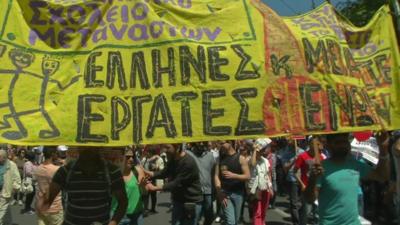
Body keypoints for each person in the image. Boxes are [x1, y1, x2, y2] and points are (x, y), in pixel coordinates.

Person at [305, 132, 390, 225]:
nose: (342, 145)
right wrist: (312, 178)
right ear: (328, 145)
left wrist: (383, 149)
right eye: (338, 142)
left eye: (345, 141)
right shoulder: (320, 168)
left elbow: (382, 176)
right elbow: (309, 199)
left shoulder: (355, 164)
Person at [39, 147, 128, 225]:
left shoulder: (112, 171)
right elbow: (45, 203)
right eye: (84, 144)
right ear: (78, 146)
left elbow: (123, 202)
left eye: (92, 144)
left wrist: (113, 223)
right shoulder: (65, 171)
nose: (88, 147)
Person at [145, 143, 203, 225]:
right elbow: (164, 173)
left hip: (191, 202)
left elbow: (176, 183)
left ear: (178, 147)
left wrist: (155, 188)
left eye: (168, 147)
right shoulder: (173, 159)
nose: (165, 150)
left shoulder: (188, 162)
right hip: (178, 201)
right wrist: (149, 173)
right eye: (164, 147)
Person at [214, 140, 250, 225]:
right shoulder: (219, 159)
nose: (221, 145)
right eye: (220, 143)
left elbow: (248, 176)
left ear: (230, 142)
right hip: (225, 193)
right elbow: (216, 176)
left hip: (238, 194)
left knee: (236, 221)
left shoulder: (241, 158)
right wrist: (219, 192)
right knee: (231, 222)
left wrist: (234, 176)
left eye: (223, 143)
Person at [293, 136, 326, 225]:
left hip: (319, 189)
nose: (315, 146)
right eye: (313, 144)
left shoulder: (322, 157)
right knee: (306, 212)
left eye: (318, 144)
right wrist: (302, 184)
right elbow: (294, 172)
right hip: (306, 188)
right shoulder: (302, 156)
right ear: (309, 144)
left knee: (317, 213)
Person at [111, 148, 144, 225]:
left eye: (133, 156)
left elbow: (145, 191)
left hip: (136, 215)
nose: (131, 159)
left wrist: (143, 186)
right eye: (128, 157)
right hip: (118, 215)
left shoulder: (138, 170)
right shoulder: (114, 172)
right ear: (121, 157)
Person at [187, 142, 217, 225]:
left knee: (209, 215)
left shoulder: (210, 156)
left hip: (208, 191)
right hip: (195, 191)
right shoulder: (189, 154)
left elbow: (214, 173)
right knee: (195, 216)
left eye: (203, 142)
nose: (201, 144)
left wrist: (215, 189)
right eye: (198, 142)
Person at [34, 146, 63, 225]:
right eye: (57, 153)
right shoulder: (57, 170)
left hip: (40, 204)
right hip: (54, 206)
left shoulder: (38, 168)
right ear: (53, 154)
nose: (58, 155)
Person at [248, 138, 274, 225]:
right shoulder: (250, 159)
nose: (263, 151)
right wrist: (255, 150)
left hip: (265, 188)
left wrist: (270, 187)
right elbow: (252, 164)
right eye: (261, 149)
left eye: (263, 149)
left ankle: (262, 223)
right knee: (257, 212)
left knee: (263, 210)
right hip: (256, 189)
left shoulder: (265, 160)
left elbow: (268, 174)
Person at [279, 138, 304, 225]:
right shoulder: (286, 154)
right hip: (292, 179)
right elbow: (285, 168)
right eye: (290, 140)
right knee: (294, 203)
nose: (292, 142)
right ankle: (296, 222)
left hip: (303, 180)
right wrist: (294, 160)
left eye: (294, 141)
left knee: (303, 203)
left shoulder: (302, 152)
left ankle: (303, 220)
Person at [0, 149, 21, 225]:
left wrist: (14, 189)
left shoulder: (12, 165)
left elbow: (17, 179)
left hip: (5, 192)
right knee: (5, 209)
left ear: (4, 157)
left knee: (1, 212)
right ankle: (9, 222)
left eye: (0, 157)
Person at [141, 146, 163, 214]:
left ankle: (153, 209)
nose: (146, 153)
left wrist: (156, 167)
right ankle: (145, 209)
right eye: (146, 152)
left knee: (153, 195)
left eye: (148, 152)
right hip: (146, 179)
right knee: (145, 195)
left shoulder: (159, 159)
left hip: (154, 179)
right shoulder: (144, 159)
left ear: (151, 153)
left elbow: (162, 170)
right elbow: (141, 167)